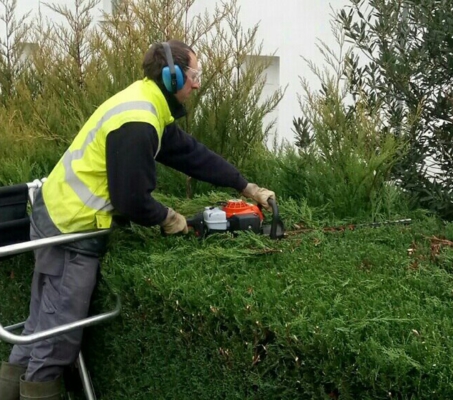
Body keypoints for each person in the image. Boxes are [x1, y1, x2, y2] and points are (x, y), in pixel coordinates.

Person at [0, 39, 276, 400]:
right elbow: (130, 199)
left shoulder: (145, 102)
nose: (197, 83)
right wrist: (169, 218)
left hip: (54, 212)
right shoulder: (140, 120)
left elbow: (190, 154)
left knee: (38, 326)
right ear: (172, 75)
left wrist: (245, 186)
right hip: (71, 231)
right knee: (56, 342)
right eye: (194, 75)